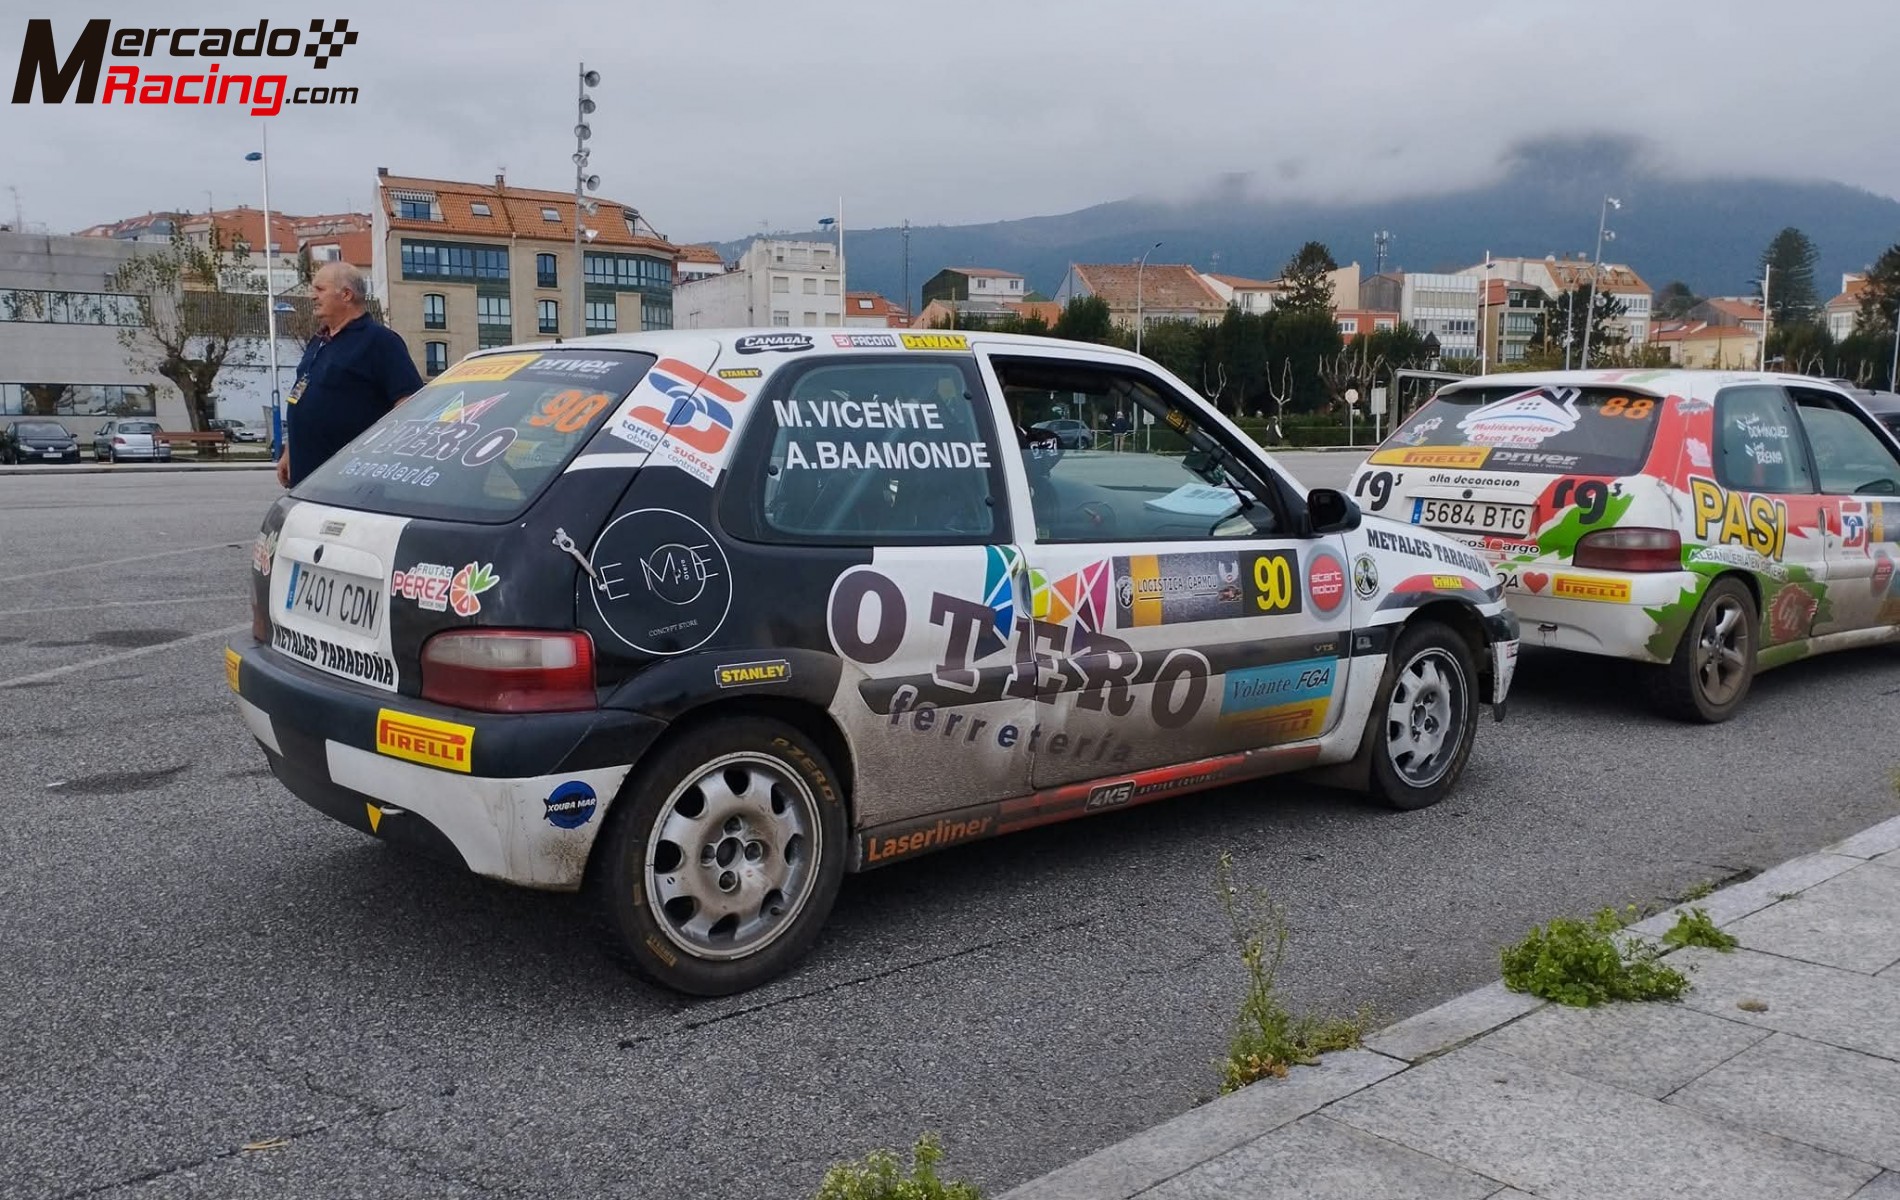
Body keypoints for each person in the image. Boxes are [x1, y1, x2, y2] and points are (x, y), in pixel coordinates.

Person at [276, 262, 423, 487]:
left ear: (346, 294)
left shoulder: (379, 341)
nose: (311, 296)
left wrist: (379, 453)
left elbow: (409, 402)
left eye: (319, 289)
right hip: (306, 477)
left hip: (352, 481)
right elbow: (301, 397)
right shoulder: (319, 341)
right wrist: (289, 451)